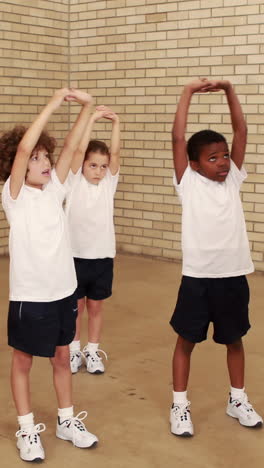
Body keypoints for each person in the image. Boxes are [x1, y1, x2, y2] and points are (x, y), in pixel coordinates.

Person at [0, 88, 99, 462]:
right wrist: (55, 102)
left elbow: (74, 146)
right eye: (36, 158)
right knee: (23, 361)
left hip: (63, 292)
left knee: (62, 357)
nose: (44, 162)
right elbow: (23, 149)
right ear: (16, 165)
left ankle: (66, 420)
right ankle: (27, 430)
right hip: (30, 297)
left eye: (47, 157)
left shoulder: (54, 188)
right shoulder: (13, 195)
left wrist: (87, 108)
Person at [169, 78, 263, 437]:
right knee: (186, 342)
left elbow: (241, 130)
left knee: (235, 340)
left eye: (224, 155)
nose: (223, 162)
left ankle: (237, 399)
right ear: (193, 164)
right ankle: (180, 405)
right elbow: (178, 138)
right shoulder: (188, 183)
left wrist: (228, 90)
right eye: (213, 158)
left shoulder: (233, 178)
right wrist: (188, 92)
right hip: (197, 278)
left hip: (233, 276)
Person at [65, 105, 120, 375]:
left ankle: (92, 349)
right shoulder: (73, 182)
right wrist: (92, 119)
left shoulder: (109, 183)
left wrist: (115, 124)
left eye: (103, 166)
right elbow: (76, 150)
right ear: (83, 165)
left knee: (96, 307)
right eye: (93, 165)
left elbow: (117, 152)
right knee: (75, 308)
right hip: (74, 256)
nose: (98, 171)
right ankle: (74, 351)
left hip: (102, 258)